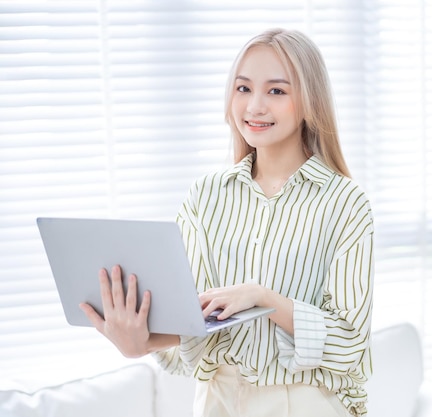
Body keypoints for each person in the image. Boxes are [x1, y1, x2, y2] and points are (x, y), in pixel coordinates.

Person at [80, 28, 374, 417]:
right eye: (243, 88)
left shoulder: (345, 203)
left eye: (276, 91)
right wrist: (142, 342)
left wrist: (264, 297)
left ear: (309, 101)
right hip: (217, 399)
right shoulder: (205, 197)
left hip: (305, 403)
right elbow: (193, 321)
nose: (254, 106)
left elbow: (348, 342)